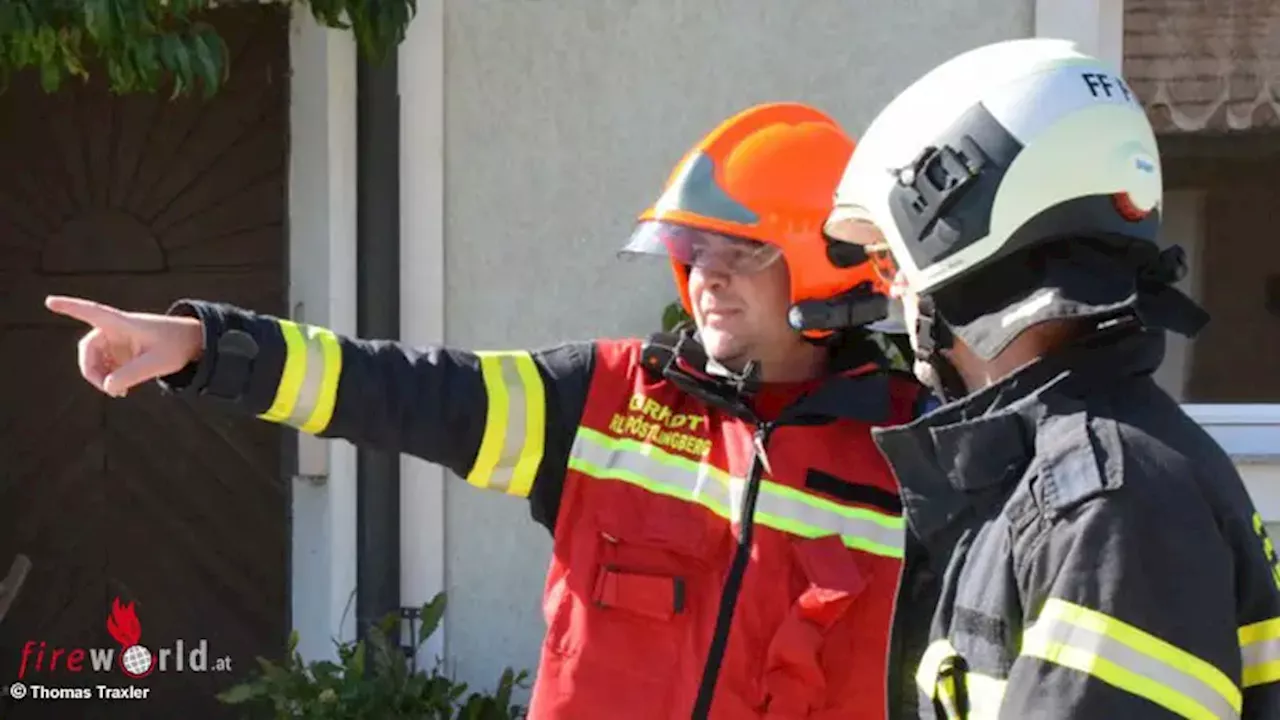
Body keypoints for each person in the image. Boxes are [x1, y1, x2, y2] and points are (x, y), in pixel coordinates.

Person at [48, 102, 931, 720]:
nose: (704, 276)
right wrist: (208, 347)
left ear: (822, 265)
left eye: (739, 252)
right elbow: (391, 388)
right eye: (692, 250)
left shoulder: (924, 449)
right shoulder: (603, 401)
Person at [823, 38, 1280, 719]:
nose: (896, 297)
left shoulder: (1104, 504)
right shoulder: (1072, 477)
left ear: (964, 245)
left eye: (891, 263)